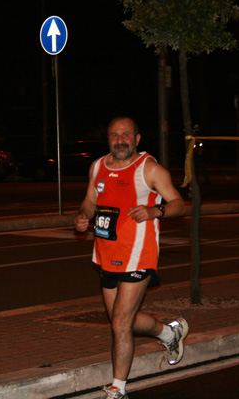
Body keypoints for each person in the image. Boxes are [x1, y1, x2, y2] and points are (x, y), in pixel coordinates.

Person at [74, 117, 188, 399]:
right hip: (106, 254)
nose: (120, 140)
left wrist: (154, 212)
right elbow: (90, 200)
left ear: (137, 139)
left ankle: (118, 389)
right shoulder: (98, 166)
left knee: (121, 322)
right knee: (119, 319)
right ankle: (168, 333)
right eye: (114, 135)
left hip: (139, 256)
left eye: (126, 135)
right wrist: (84, 216)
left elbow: (179, 203)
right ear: (108, 139)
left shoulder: (149, 169)